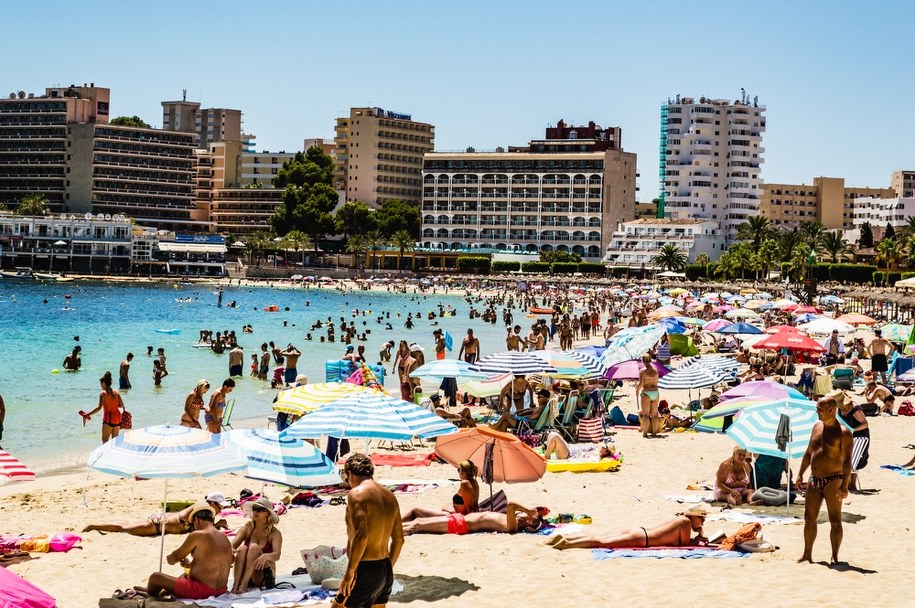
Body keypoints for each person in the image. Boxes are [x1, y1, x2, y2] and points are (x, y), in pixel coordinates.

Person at [331, 454, 403, 608]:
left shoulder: (356, 494)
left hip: (364, 568)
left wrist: (350, 572)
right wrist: (387, 569)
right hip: (385, 568)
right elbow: (399, 540)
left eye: (346, 478)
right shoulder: (390, 496)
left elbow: (362, 535)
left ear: (350, 474)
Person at [795, 396, 852, 565]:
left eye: (820, 409)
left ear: (831, 410)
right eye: (817, 409)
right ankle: (807, 554)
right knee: (809, 517)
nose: (817, 412)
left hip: (834, 479)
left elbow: (848, 461)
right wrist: (800, 473)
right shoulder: (817, 427)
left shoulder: (843, 432)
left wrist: (844, 485)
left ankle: (834, 556)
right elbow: (809, 451)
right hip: (814, 479)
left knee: (835, 519)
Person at [143, 503, 233, 600]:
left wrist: (171, 558)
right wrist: (189, 565)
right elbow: (210, 564)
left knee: (155, 577)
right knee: (184, 576)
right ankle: (161, 593)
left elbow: (174, 558)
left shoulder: (198, 534)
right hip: (220, 590)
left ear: (197, 520)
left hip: (202, 591)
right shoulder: (224, 537)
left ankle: (152, 595)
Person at [546, 508, 709, 550]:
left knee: (601, 537)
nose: (701, 523)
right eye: (701, 519)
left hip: (640, 531)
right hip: (642, 539)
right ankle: (566, 543)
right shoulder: (686, 523)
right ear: (694, 517)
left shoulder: (681, 520)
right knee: (602, 542)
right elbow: (684, 545)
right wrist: (700, 535)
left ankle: (565, 539)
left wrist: (698, 534)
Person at [84, 492, 231, 536]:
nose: (221, 510)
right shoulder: (203, 510)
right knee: (124, 528)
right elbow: (202, 531)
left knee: (128, 524)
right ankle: (93, 525)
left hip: (163, 521)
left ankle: (97, 525)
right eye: (220, 507)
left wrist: (217, 524)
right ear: (212, 503)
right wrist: (218, 525)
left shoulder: (205, 510)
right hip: (157, 526)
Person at [230, 497, 283, 594]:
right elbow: (232, 545)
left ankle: (244, 585)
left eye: (260, 510)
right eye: (254, 509)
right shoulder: (247, 528)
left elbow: (277, 555)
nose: (255, 512)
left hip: (263, 576)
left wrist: (265, 556)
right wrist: (231, 550)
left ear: (267, 513)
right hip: (245, 573)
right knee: (243, 548)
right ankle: (236, 585)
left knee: (254, 548)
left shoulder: (274, 533)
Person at [402, 502, 544, 536]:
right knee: (416, 514)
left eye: (528, 516)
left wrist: (528, 512)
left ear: (529, 521)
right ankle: (390, 525)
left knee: (417, 524)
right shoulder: (510, 518)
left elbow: (511, 505)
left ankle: (388, 530)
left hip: (458, 525)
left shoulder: (512, 526)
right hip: (459, 518)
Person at [402, 460, 480, 521]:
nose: (458, 473)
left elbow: (469, 508)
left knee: (415, 511)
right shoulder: (474, 483)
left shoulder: (465, 483)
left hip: (454, 518)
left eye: (458, 470)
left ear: (462, 471)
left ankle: (394, 525)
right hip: (452, 514)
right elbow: (473, 505)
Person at [835, 391, 870, 483]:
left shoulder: (855, 409)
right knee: (844, 457)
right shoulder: (839, 409)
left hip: (860, 436)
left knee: (855, 458)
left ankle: (852, 484)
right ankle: (848, 483)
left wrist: (852, 430)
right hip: (847, 435)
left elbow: (865, 424)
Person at [82, 371, 125, 443]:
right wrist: (113, 404)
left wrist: (88, 414)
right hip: (118, 419)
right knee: (115, 443)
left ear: (104, 383)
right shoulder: (116, 392)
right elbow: (121, 405)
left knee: (105, 442)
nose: (101, 386)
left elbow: (99, 408)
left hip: (108, 419)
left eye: (101, 384)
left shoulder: (103, 394)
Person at [543, 432, 615, 461]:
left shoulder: (597, 454)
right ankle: (547, 452)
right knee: (551, 434)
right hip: (569, 448)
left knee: (554, 435)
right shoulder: (596, 448)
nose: (603, 446)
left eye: (605, 447)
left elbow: (588, 458)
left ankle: (546, 457)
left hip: (568, 454)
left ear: (606, 452)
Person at [636, 354, 660, 438]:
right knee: (654, 414)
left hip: (646, 392)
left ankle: (645, 433)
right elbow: (657, 381)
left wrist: (637, 390)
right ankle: (654, 433)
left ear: (642, 361)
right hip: (655, 392)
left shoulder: (642, 371)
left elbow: (641, 384)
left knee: (645, 414)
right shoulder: (655, 370)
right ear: (650, 360)